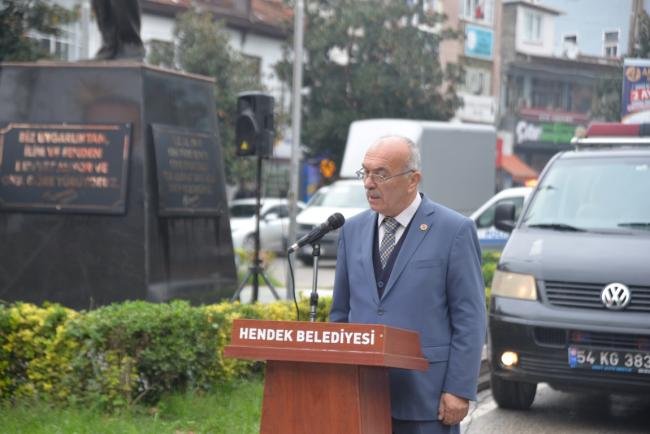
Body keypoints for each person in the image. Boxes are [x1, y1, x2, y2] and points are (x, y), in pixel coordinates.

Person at [330, 135, 486, 434]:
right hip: (362, 394)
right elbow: (340, 313)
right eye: (365, 172)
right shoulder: (351, 230)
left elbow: (470, 318)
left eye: (381, 174)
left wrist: (459, 388)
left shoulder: (454, 230)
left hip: (426, 398)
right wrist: (337, 377)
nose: (368, 183)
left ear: (413, 180)